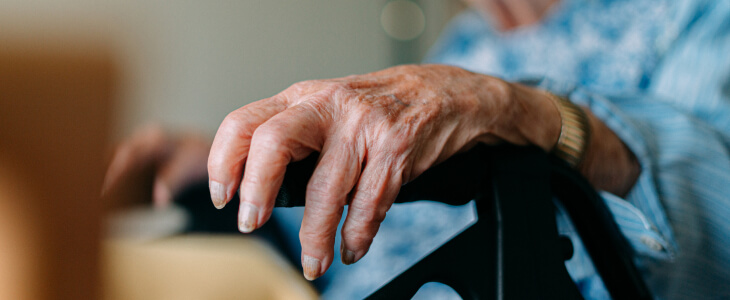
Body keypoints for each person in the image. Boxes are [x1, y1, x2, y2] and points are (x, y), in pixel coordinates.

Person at [104, 0, 730, 299]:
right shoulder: (465, 43)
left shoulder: (692, 16)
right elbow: (377, 235)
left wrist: (519, 112)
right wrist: (235, 174)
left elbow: (719, 233)